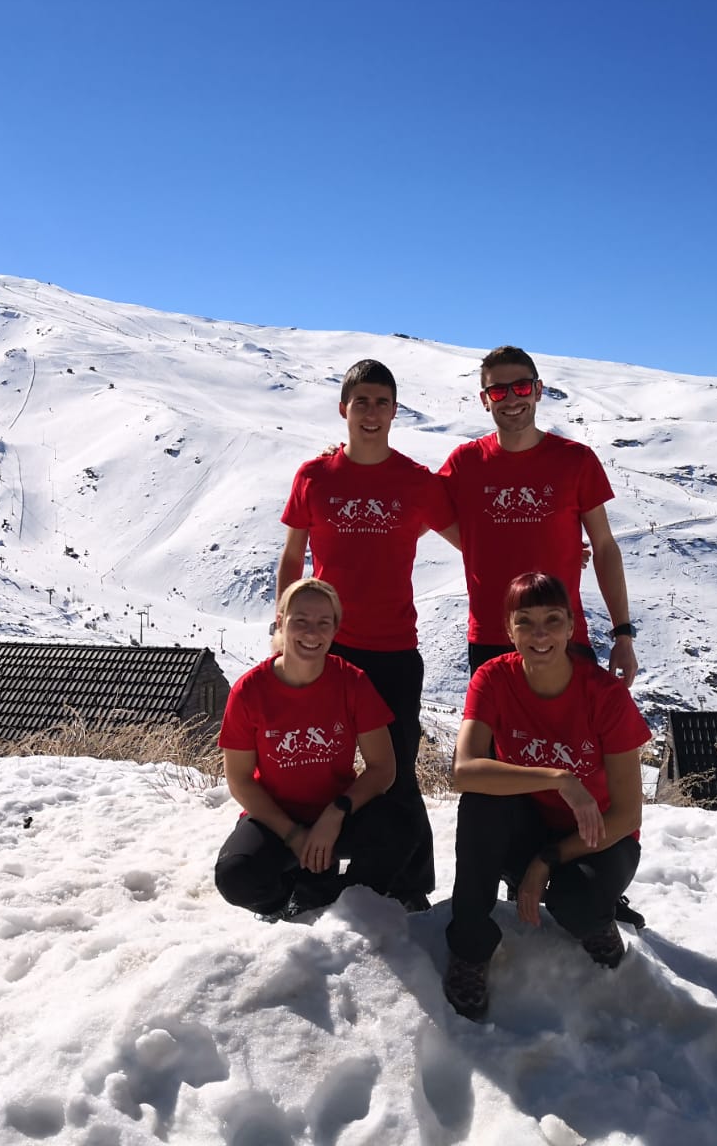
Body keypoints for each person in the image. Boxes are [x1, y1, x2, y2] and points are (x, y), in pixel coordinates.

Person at [276, 359, 457, 909]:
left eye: (382, 402)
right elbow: (290, 557)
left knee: (395, 769)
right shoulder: (315, 477)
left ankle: (409, 885)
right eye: (363, 402)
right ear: (344, 409)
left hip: (394, 649)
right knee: (320, 768)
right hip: (326, 648)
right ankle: (306, 874)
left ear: (395, 411)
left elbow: (477, 547)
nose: (372, 412)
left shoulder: (416, 482)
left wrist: (559, 555)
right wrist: (282, 629)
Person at [442, 571, 651, 1021]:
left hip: (602, 835)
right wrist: (558, 777)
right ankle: (470, 949)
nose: (540, 634)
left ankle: (597, 922)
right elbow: (464, 770)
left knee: (574, 903)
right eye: (526, 622)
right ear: (508, 630)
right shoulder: (493, 679)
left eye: (552, 620)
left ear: (572, 626)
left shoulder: (605, 696)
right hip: (531, 822)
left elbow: (627, 812)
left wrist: (548, 859)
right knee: (482, 800)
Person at [215, 578, 417, 920]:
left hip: (337, 814)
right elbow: (240, 780)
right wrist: (292, 834)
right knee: (236, 876)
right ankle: (282, 902)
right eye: (301, 621)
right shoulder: (250, 691)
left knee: (400, 827)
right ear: (281, 622)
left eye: (323, 623)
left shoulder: (352, 682)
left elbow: (383, 768)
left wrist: (335, 814)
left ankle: (335, 898)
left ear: (335, 629)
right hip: (274, 817)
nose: (312, 633)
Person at [438, 345, 639, 684]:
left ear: (539, 390)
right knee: (493, 739)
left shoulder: (576, 461)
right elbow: (416, 502)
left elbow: (604, 547)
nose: (512, 399)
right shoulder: (465, 463)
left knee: (573, 738)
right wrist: (342, 456)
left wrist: (623, 633)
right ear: (485, 400)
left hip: (563, 638)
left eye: (521, 387)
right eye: (499, 390)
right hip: (492, 640)